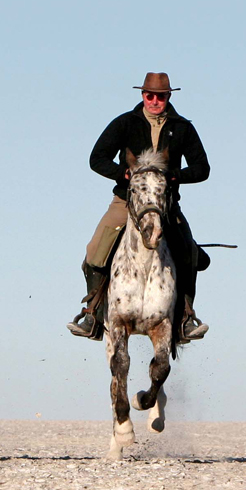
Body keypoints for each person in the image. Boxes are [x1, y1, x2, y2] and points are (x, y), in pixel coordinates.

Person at [66, 72, 211, 342]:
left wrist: (175, 176)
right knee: (95, 251)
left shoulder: (182, 128)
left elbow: (202, 168)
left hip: (165, 206)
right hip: (126, 201)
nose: (155, 100)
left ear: (169, 97)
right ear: (142, 95)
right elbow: (96, 158)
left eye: (161, 96)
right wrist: (122, 173)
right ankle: (92, 315)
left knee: (189, 252)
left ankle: (185, 317)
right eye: (150, 95)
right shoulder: (125, 123)